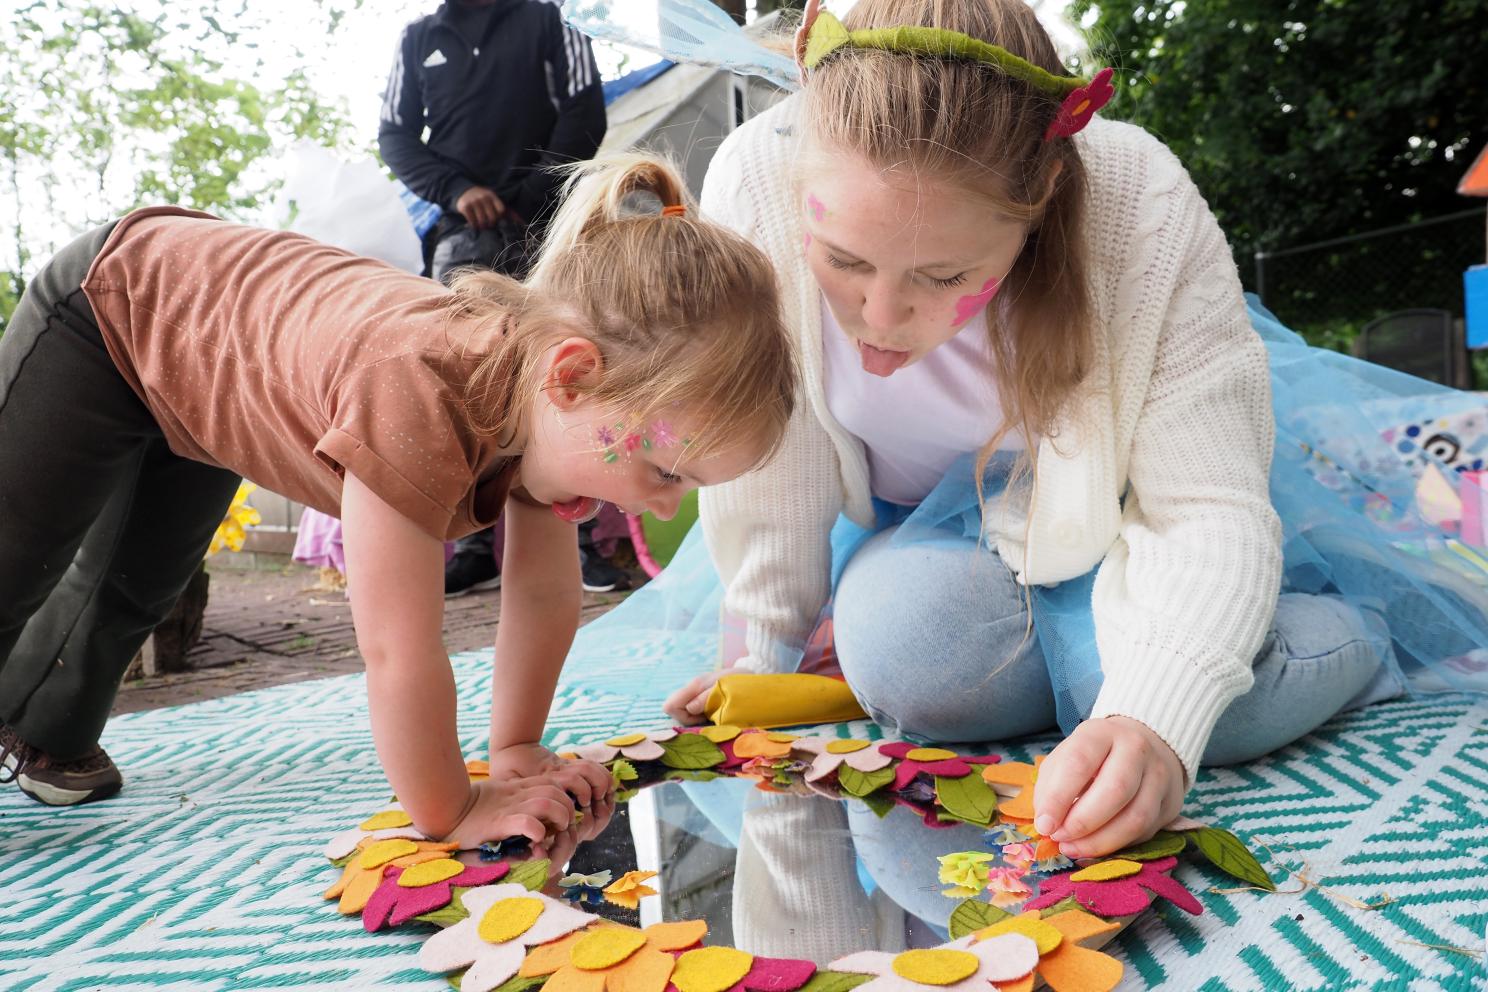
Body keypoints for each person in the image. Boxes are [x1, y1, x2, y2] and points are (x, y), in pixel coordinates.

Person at [603, 0, 1488, 862]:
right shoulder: (757, 178)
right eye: (843, 261)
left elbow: (1204, 505)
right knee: (910, 654)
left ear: (1040, 202)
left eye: (944, 274)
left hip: (1130, 516)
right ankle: (1078, 669)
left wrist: (1148, 718)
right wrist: (766, 658)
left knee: (1210, 709)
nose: (880, 316)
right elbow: (776, 455)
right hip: (930, 536)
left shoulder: (1140, 203)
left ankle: (1361, 626)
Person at [0, 153, 796, 865]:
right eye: (664, 470)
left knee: (139, 585)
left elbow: (545, 596)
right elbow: (398, 649)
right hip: (117, 305)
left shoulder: (554, 413)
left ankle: (44, 736)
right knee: (13, 561)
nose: (660, 505)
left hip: (200, 372)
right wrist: (453, 807)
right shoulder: (417, 394)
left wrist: (515, 748)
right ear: (572, 377)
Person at [379, 0, 620, 596]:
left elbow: (585, 111)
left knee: (571, 372)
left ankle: (583, 542)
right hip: (461, 238)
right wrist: (460, 191)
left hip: (550, 229)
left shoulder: (549, 20)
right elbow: (394, 137)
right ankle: (473, 547)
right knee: (458, 383)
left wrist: (526, 192)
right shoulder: (417, 39)